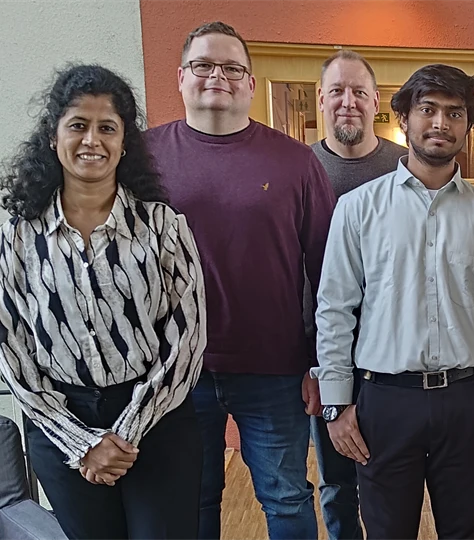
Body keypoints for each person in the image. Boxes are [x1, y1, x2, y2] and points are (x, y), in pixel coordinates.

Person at [313, 64, 474, 540]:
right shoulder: (357, 209)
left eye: (455, 114)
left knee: (464, 531)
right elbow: (333, 311)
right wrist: (336, 403)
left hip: (468, 401)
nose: (440, 123)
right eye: (427, 110)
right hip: (385, 403)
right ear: (404, 120)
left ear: (467, 128)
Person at [0, 64, 206, 540]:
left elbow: (187, 339)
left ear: (125, 141)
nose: (93, 140)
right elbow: (12, 352)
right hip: (61, 424)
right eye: (78, 126)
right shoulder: (18, 237)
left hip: (158, 420)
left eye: (107, 127)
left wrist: (125, 433)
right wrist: (81, 443)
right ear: (53, 137)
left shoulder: (164, 227)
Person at [145, 21, 335, 539]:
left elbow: (327, 271)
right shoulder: (140, 157)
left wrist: (323, 362)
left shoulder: (296, 162)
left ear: (251, 84)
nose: (218, 77)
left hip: (274, 369)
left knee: (287, 497)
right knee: (192, 500)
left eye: (232, 67)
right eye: (204, 65)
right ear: (181, 78)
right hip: (174, 372)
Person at [306, 49, 407, 540]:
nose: (348, 102)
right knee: (336, 480)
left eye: (359, 92)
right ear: (320, 98)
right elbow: (297, 274)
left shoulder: (404, 167)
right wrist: (313, 366)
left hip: (394, 362)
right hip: (329, 356)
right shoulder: (299, 169)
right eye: (338, 92)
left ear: (376, 101)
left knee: (388, 478)